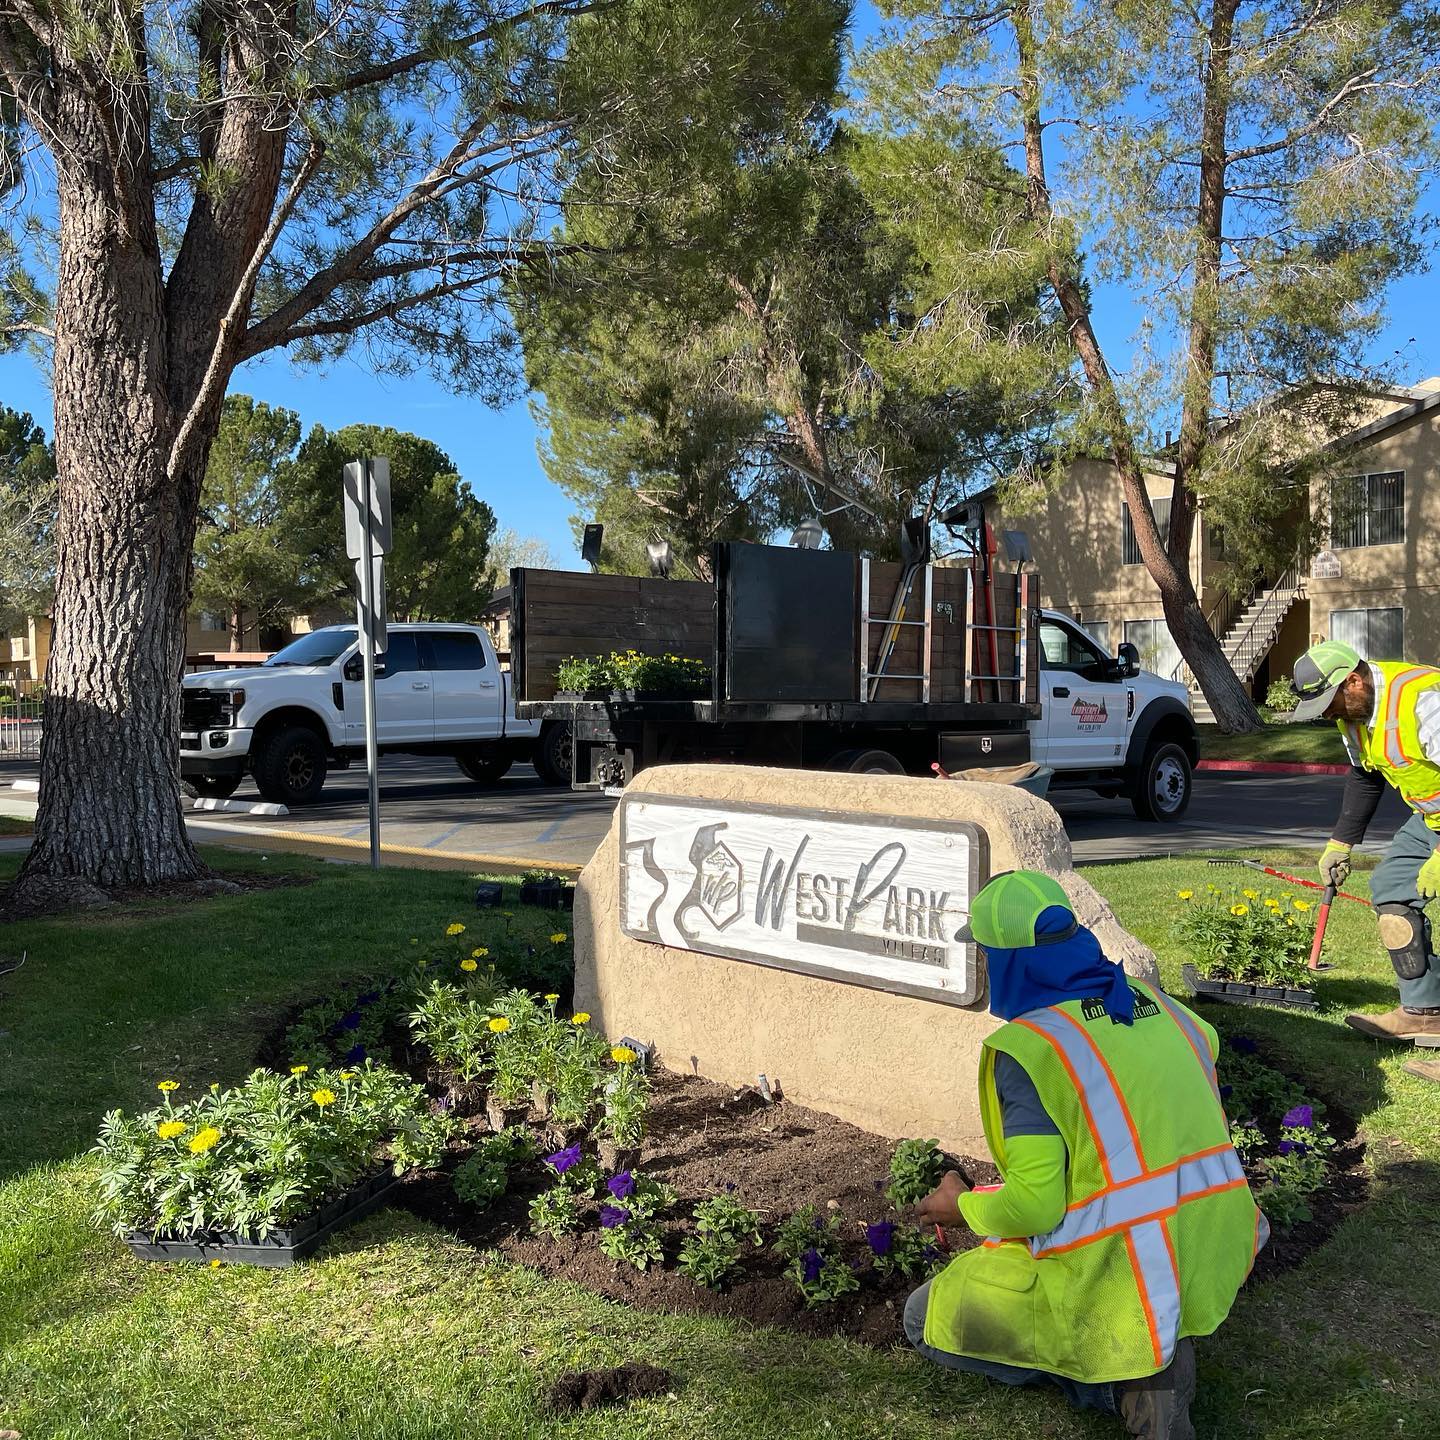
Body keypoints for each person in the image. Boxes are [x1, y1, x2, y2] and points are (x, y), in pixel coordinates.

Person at [905, 870, 1267, 1440]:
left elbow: (1036, 1208)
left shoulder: (1031, 1050)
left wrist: (963, 1206)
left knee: (924, 1317)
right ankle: (1161, 1348)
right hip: (1210, 1239)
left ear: (1008, 961)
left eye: (985, 954)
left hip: (1123, 1270)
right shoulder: (1157, 1003)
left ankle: (1127, 1382)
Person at [1288, 640, 1440, 1082]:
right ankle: (1425, 1011)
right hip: (1431, 818)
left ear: (1353, 681)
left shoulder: (1424, 702)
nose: (1328, 715)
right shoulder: (1354, 717)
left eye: (1330, 704)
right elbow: (1365, 777)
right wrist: (1341, 842)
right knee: (1392, 890)